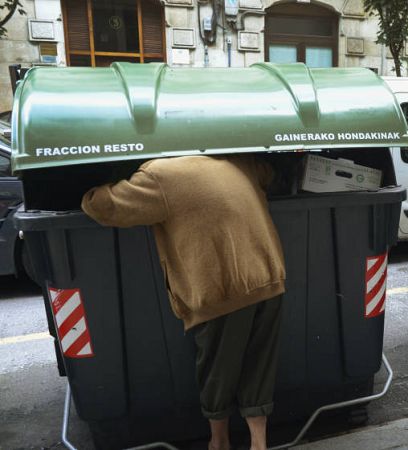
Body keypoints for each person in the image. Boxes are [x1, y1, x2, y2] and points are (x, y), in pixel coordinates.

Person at [81, 154, 286, 450]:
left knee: (217, 372)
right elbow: (268, 173)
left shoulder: (158, 176)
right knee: (259, 368)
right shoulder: (235, 161)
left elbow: (105, 206)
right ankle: (258, 443)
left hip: (221, 291)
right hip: (269, 278)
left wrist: (90, 189)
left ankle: (219, 442)